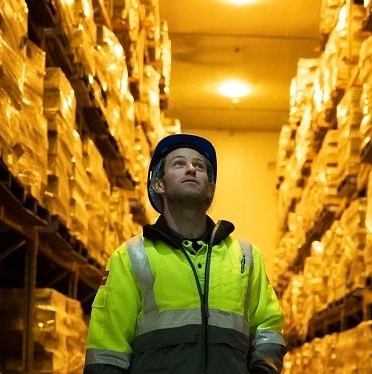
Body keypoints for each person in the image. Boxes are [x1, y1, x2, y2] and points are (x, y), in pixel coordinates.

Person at [84, 133, 287, 373]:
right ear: (158, 184)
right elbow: (107, 348)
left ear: (210, 189)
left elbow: (268, 326)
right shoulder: (131, 258)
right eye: (178, 163)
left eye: (199, 166)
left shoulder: (245, 256)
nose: (191, 169)